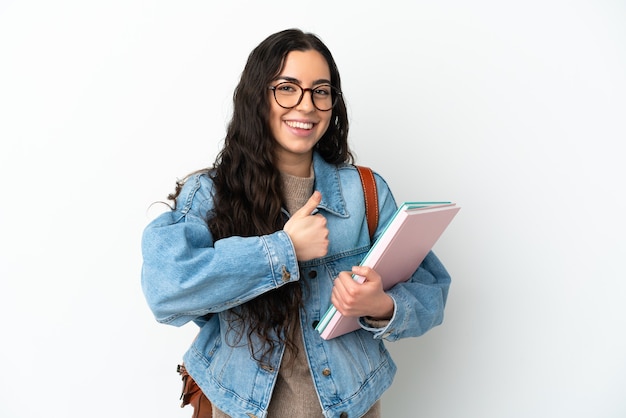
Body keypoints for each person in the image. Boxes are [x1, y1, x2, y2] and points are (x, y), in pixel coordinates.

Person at [141, 28, 451, 418]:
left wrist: (382, 305)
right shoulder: (208, 193)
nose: (306, 105)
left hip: (350, 406)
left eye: (321, 91)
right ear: (258, 96)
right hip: (240, 408)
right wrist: (283, 251)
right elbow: (166, 289)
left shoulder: (365, 192)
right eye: (287, 88)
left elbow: (433, 291)